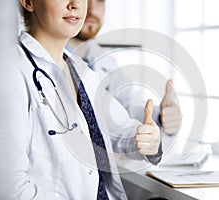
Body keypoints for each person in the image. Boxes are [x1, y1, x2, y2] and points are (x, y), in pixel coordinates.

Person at [0, 0, 162, 199]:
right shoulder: (9, 71)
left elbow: (121, 129)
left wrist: (148, 140)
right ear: (28, 2)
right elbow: (9, 187)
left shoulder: (79, 70)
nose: (76, 4)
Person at [67, 0, 183, 136]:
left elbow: (130, 103)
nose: (92, 9)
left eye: (99, 0)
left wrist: (162, 118)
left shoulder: (104, 60)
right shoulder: (49, 61)